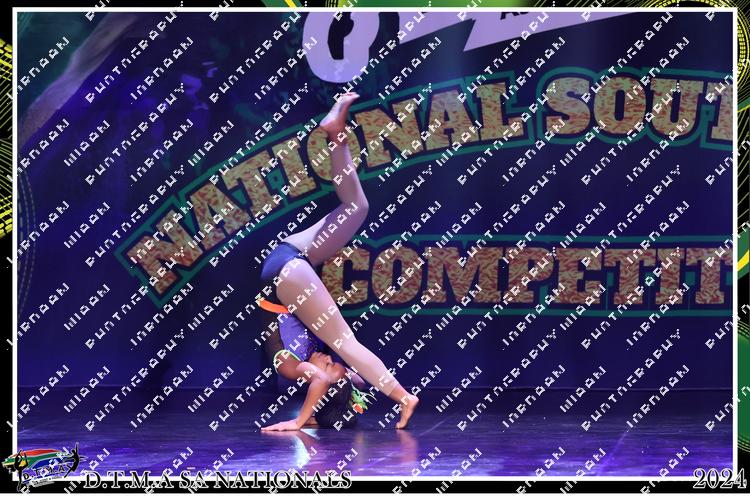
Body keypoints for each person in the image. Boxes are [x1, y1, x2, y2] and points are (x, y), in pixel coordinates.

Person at [256, 92, 419, 430]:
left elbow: (322, 379)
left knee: (346, 343)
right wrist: (343, 396)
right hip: (291, 257)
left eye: (331, 369)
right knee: (356, 208)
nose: (331, 363)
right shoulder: (325, 369)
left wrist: (300, 422)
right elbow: (356, 378)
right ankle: (336, 135)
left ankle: (405, 397)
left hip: (284, 273)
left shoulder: (292, 367)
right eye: (337, 367)